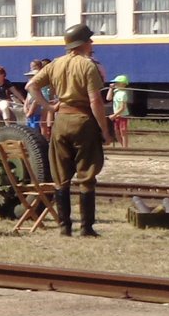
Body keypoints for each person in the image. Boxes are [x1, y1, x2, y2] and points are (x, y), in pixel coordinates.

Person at [25, 24, 111, 237]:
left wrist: (48, 106)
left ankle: (64, 227)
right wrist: (104, 130)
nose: (92, 44)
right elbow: (95, 101)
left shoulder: (55, 64)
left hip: (61, 121)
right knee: (87, 174)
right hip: (82, 121)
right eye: (90, 41)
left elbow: (31, 86)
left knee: (61, 176)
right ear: (82, 44)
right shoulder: (88, 66)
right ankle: (86, 227)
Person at [0, 66, 25, 135]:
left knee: (4, 107)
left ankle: (7, 128)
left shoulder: (7, 82)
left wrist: (24, 101)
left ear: (3, 75)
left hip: (2, 100)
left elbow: (15, 92)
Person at [106, 75, 132, 148]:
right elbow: (108, 98)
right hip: (117, 116)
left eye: (117, 82)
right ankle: (123, 146)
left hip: (122, 115)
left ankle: (125, 148)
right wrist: (110, 89)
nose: (115, 84)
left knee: (123, 132)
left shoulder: (123, 94)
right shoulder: (116, 91)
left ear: (122, 84)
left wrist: (114, 115)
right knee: (117, 132)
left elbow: (123, 107)